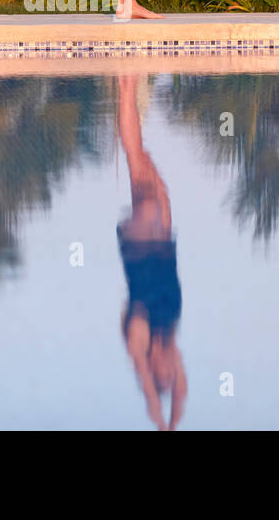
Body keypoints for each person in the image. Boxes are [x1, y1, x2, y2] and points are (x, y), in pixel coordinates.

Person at [114, 73, 186, 429]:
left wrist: (164, 424)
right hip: (162, 240)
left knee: (136, 162)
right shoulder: (169, 338)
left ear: (157, 375)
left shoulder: (140, 342)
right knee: (142, 161)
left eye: (167, 376)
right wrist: (176, 416)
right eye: (173, 373)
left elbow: (148, 392)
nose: (173, 371)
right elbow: (183, 392)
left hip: (142, 243)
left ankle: (125, 86)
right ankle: (127, 88)